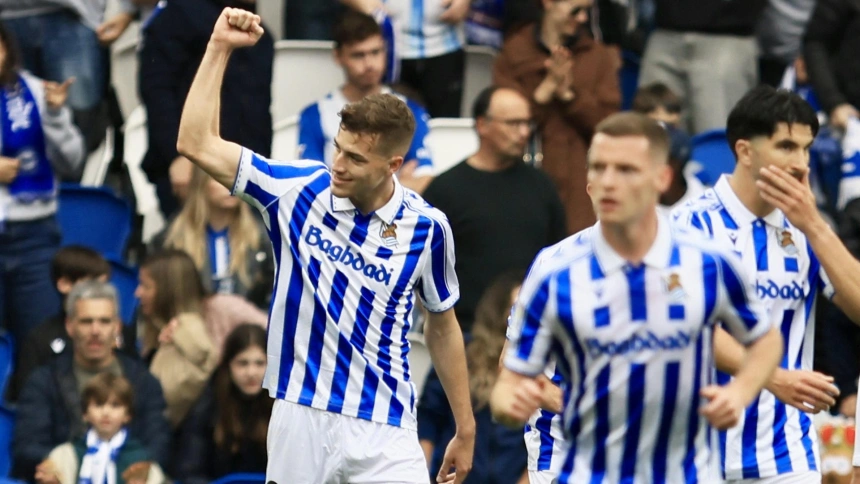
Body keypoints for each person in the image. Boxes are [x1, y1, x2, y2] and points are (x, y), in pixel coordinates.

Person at [176, 8, 475, 484]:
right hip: (299, 413)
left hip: (385, 423)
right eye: (338, 147)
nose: (338, 163)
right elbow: (196, 142)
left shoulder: (428, 228)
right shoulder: (297, 190)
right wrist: (219, 47)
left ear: (393, 165)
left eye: (355, 157)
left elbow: (442, 325)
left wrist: (465, 426)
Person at [490, 112, 783, 483]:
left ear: (663, 178)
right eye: (599, 168)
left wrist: (739, 393)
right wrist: (510, 406)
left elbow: (766, 340)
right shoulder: (553, 270)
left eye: (626, 170)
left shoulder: (707, 260)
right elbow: (510, 376)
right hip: (574, 465)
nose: (609, 182)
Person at [672, 84, 860, 482]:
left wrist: (815, 225)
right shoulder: (688, 224)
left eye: (807, 149)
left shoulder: (808, 231)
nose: (801, 164)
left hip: (786, 455)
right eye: (786, 147)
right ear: (745, 151)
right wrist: (773, 377)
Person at [422, 86, 566, 333]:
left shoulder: (542, 186)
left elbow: (559, 259)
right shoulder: (446, 190)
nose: (524, 132)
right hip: (466, 331)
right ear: (482, 125)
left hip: (531, 329)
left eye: (527, 123)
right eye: (513, 123)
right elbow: (425, 270)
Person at [13, 280, 171, 480]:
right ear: (70, 326)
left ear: (117, 327)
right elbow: (28, 446)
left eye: (104, 321)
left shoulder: (143, 381)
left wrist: (127, 467)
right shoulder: (44, 381)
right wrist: (64, 466)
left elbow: (159, 444)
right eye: (86, 321)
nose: (95, 330)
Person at [493, 0, 620, 234]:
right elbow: (500, 124)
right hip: (524, 180)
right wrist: (545, 89)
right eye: (575, 10)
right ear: (549, 3)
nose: (582, 18)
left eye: (587, 11)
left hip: (580, 186)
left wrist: (570, 96)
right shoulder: (515, 51)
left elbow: (610, 127)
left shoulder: (597, 56)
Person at [139, 0, 274, 217]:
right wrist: (176, 156)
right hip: (189, 170)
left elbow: (260, 114)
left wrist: (263, 172)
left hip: (246, 176)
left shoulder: (263, 36)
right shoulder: (179, 14)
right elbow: (157, 91)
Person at [0, 21, 85, 347]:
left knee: (38, 343)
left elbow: (73, 162)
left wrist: (55, 115)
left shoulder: (35, 91)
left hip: (34, 236)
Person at [298, 9, 435, 194]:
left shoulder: (410, 110)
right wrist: (393, 187)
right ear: (338, 57)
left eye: (375, 52)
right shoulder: (315, 114)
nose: (369, 64)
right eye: (358, 55)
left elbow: (424, 180)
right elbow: (311, 185)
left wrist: (348, 185)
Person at [418, 271, 528, 483]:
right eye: (515, 308)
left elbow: (545, 435)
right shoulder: (464, 353)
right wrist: (422, 476)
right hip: (454, 477)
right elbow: (428, 417)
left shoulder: (537, 368)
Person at [153, 167, 274, 309]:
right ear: (200, 184)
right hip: (191, 320)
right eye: (220, 178)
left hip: (249, 320)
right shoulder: (172, 239)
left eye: (237, 178)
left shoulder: (262, 238)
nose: (231, 185)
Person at [175, 324, 272, 484]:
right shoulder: (208, 405)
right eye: (242, 363)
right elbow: (190, 468)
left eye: (260, 363)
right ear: (228, 365)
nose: (251, 372)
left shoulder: (282, 408)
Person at [33, 372, 167, 484]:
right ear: (85, 414)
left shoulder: (141, 460)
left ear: (128, 415)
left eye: (115, 405)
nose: (106, 412)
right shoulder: (65, 455)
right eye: (98, 404)